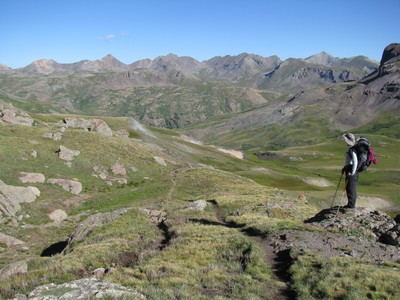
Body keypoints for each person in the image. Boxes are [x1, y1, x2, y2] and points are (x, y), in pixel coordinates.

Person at [342, 133, 358, 208]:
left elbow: (355, 161)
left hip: (351, 170)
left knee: (350, 187)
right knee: (349, 187)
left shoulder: (352, 149)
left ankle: (351, 205)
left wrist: (352, 172)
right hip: (349, 169)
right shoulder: (352, 148)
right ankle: (350, 204)